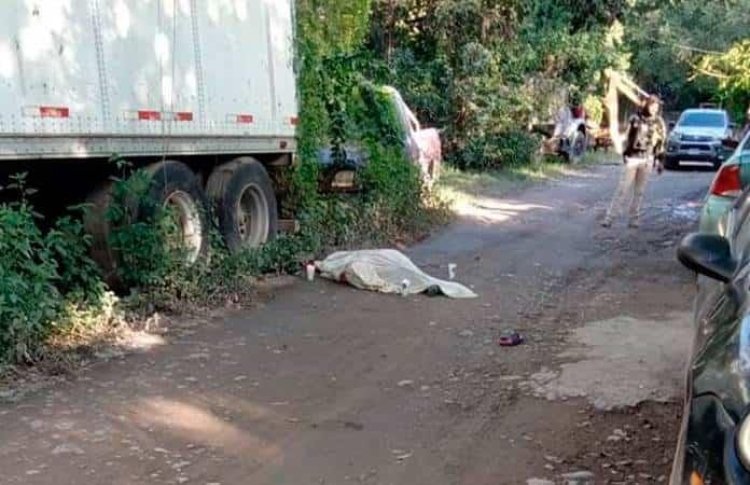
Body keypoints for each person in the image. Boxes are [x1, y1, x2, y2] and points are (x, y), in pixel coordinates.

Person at [602, 95, 667, 229]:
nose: (654, 109)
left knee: (639, 191)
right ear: (646, 105)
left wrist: (660, 161)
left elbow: (661, 143)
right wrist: (624, 154)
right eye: (652, 106)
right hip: (633, 157)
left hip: (647, 158)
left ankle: (634, 219)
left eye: (656, 107)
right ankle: (609, 217)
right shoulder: (635, 119)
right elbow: (627, 137)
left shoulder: (658, 123)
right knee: (622, 189)